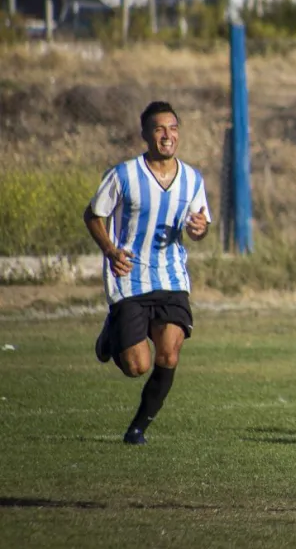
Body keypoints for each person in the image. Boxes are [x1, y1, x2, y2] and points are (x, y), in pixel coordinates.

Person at [83, 101, 211, 445]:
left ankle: (137, 428)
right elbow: (93, 214)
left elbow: (200, 226)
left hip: (171, 278)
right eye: (159, 129)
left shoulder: (192, 179)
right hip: (130, 278)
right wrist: (110, 251)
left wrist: (199, 230)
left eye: (172, 128)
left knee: (169, 353)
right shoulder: (124, 175)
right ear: (145, 135)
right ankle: (113, 332)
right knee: (136, 366)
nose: (167, 136)